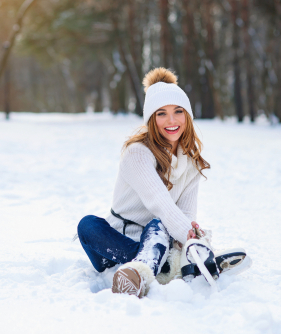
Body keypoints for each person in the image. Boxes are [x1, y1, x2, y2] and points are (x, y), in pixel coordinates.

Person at [77, 67, 213, 297]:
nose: (171, 120)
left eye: (178, 111)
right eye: (161, 113)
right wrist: (185, 232)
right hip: (117, 242)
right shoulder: (137, 153)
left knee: (158, 225)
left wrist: (192, 236)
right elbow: (159, 202)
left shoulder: (192, 163)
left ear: (187, 116)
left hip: (158, 238)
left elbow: (186, 213)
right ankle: (162, 267)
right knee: (88, 225)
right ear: (151, 119)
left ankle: (144, 271)